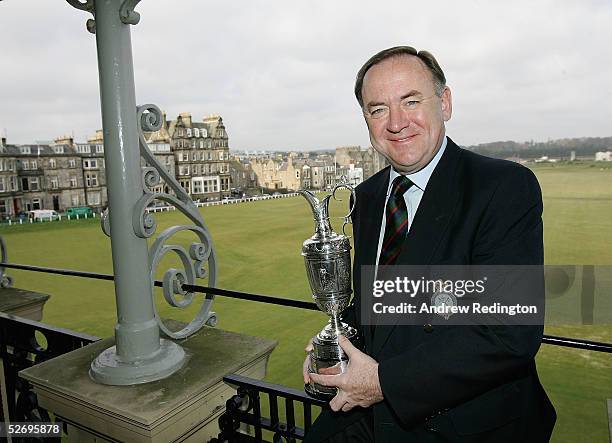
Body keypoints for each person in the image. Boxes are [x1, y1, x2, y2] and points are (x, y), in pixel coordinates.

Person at [303, 46, 556, 442]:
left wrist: (385, 381)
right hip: (376, 416)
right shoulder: (367, 197)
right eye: (378, 109)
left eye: (411, 101)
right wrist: (337, 344)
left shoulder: (502, 187)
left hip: (465, 424)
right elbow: (380, 299)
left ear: (445, 102)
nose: (397, 122)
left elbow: (510, 331)